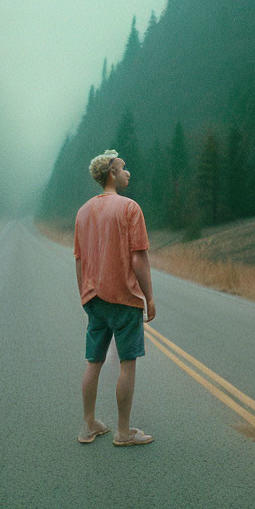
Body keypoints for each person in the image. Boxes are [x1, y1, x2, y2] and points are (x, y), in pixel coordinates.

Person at [74, 149, 156, 446]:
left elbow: (79, 260)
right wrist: (149, 297)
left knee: (93, 362)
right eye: (123, 168)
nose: (128, 173)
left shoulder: (83, 211)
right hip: (124, 296)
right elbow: (139, 260)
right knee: (127, 364)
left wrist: (85, 296)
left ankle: (88, 425)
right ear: (111, 173)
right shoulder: (129, 208)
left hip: (94, 297)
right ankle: (123, 432)